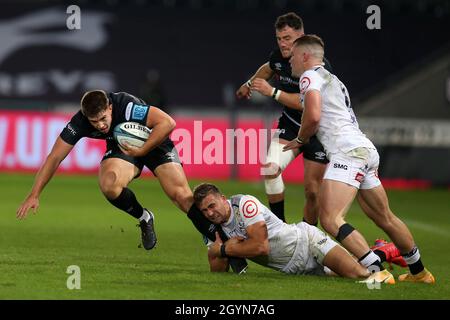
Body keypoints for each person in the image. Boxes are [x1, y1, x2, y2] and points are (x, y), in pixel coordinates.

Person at [16, 90, 247, 273]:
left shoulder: (126, 106)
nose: (100, 126)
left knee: (181, 196)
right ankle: (144, 217)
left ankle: (224, 244)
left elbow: (168, 123)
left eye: (103, 119)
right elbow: (55, 156)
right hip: (124, 145)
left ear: (109, 107)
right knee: (109, 185)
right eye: (94, 122)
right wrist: (34, 194)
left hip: (154, 142)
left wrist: (143, 149)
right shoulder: (80, 122)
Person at [283, 35, 435, 284]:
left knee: (330, 219)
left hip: (348, 152)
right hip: (364, 149)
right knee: (384, 217)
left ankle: (377, 271)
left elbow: (312, 116)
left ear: (305, 56)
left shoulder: (309, 76)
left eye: (292, 57)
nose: (290, 62)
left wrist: (300, 140)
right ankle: (420, 272)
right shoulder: (334, 80)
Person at [193, 182, 402, 281]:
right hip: (296, 268)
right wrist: (219, 253)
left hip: (308, 242)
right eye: (204, 210)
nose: (210, 213)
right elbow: (218, 273)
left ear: (222, 198)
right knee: (346, 275)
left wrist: (223, 250)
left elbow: (260, 247)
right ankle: (380, 250)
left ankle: (382, 254)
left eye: (212, 205)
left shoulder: (244, 205)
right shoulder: (214, 229)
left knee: (363, 276)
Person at [236, 12, 330, 225]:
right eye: (279, 39)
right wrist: (249, 84)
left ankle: (308, 236)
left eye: (287, 38)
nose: (283, 44)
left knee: (313, 192)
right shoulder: (279, 57)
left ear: (301, 35)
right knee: (270, 169)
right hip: (291, 125)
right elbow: (268, 68)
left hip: (317, 130)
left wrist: (273, 93)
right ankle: (280, 228)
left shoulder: (317, 66)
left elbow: (308, 104)